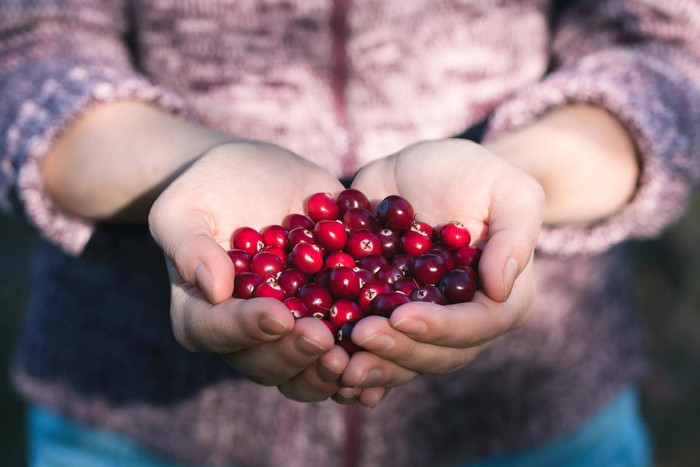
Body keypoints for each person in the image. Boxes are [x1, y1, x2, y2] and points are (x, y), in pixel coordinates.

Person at [1, 0, 698, 465]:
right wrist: (190, 170)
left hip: (540, 420)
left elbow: (667, 55)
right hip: (131, 422)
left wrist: (519, 182)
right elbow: (28, 55)